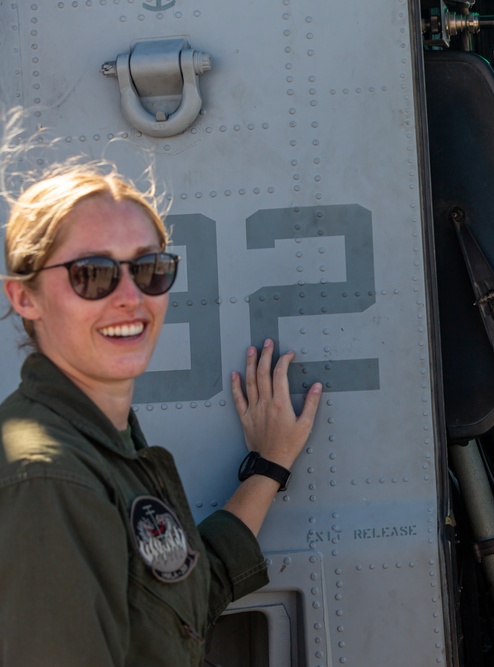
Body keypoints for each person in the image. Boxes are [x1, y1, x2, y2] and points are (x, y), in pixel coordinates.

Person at [0, 161, 323, 664]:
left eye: (149, 269)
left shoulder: (103, 439)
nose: (130, 299)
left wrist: (268, 465)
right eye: (92, 274)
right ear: (25, 296)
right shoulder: (48, 481)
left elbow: (179, 601)